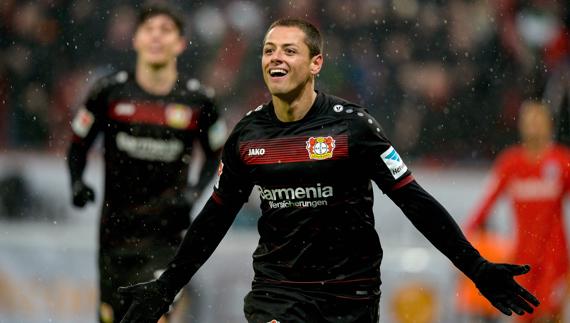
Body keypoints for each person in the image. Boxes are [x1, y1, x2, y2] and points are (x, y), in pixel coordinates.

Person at [118, 18, 539, 323]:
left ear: (316, 63)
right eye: (268, 50)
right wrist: (167, 286)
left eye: (288, 50)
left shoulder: (353, 126)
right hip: (278, 292)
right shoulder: (248, 135)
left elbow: (414, 200)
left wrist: (477, 268)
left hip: (350, 295)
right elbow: (215, 217)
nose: (275, 58)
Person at [66, 4, 226, 322]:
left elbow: (216, 156)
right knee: (113, 317)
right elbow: (77, 146)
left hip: (166, 233)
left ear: (180, 43)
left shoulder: (199, 100)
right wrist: (76, 182)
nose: (156, 36)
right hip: (116, 233)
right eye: (149, 29)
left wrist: (194, 192)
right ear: (136, 39)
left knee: (155, 314)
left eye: (166, 30)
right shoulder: (109, 92)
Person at [465, 101, 570, 322]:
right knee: (523, 314)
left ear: (549, 125)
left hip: (555, 258)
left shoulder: (561, 161)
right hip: (523, 257)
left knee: (549, 315)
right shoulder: (511, 162)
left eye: (538, 120)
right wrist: (463, 239)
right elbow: (487, 202)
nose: (533, 126)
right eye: (528, 121)